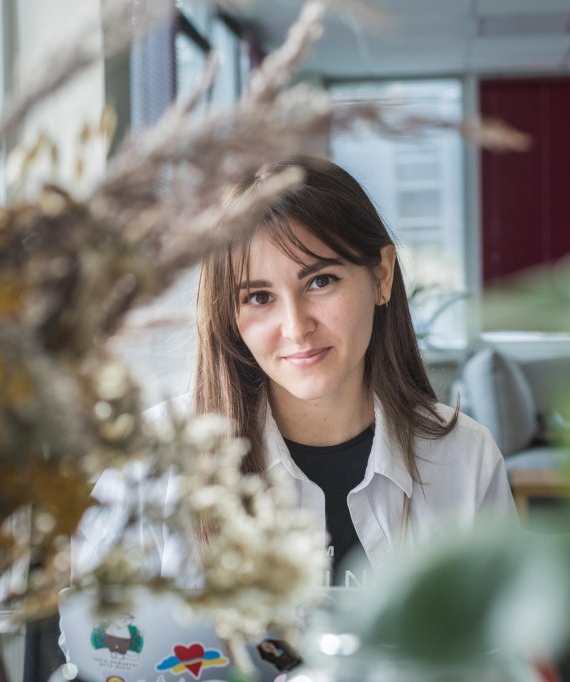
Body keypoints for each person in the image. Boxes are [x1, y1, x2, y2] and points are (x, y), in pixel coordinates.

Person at [188, 155, 516, 585]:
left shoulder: (465, 458)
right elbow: (98, 641)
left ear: (381, 276)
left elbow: (505, 642)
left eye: (320, 281)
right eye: (259, 298)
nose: (296, 328)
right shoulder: (156, 464)